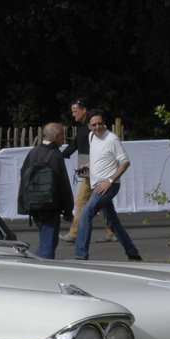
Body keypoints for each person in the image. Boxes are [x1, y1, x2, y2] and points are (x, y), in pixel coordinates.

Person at [74, 111, 142, 261]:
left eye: (100, 123)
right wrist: (88, 165)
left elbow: (125, 162)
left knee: (85, 214)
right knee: (112, 221)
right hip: (98, 184)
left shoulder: (112, 139)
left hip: (108, 186)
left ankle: (80, 256)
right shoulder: (92, 136)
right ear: (89, 126)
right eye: (94, 125)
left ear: (104, 123)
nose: (98, 127)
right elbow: (99, 157)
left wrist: (109, 181)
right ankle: (133, 254)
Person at [18, 121, 74, 258]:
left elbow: (23, 178)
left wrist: (25, 205)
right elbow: (63, 184)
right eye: (62, 135)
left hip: (33, 205)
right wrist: (68, 210)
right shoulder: (56, 155)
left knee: (46, 241)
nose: (63, 139)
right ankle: (36, 269)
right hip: (50, 206)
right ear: (56, 137)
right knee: (48, 245)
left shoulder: (33, 152)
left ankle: (34, 265)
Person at [57, 99, 94, 241]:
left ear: (84, 110)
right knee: (103, 205)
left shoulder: (91, 126)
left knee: (80, 200)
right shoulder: (83, 127)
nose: (73, 115)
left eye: (75, 111)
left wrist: (61, 156)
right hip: (88, 169)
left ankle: (74, 233)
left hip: (92, 169)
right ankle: (112, 232)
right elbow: (75, 144)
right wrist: (61, 156)